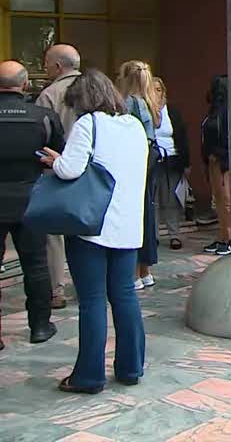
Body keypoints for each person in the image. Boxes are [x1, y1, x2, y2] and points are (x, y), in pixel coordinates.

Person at [41, 69, 148, 393]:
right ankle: (131, 368)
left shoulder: (89, 123)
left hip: (91, 226)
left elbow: (70, 168)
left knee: (92, 300)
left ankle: (89, 376)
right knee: (125, 295)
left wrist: (55, 161)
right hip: (128, 225)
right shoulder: (134, 125)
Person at [0, 61, 62, 349]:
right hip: (30, 199)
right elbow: (57, 156)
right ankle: (39, 326)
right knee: (36, 265)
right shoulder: (43, 117)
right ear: (24, 85)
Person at [35, 43, 82, 309]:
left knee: (54, 233)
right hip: (92, 170)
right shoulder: (99, 88)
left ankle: (57, 289)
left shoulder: (49, 94)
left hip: (56, 167)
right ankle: (91, 283)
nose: (44, 69)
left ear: (57, 66)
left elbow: (40, 136)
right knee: (88, 227)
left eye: (46, 64)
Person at [117, 61, 161, 290]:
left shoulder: (129, 102)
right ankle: (145, 270)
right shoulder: (150, 101)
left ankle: (134, 272)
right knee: (147, 214)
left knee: (133, 215)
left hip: (135, 161)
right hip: (150, 160)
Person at [152, 77, 191, 250]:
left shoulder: (172, 112)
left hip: (172, 160)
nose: (156, 93)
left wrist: (186, 163)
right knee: (153, 200)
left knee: (171, 199)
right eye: (152, 89)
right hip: (152, 160)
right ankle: (153, 236)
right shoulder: (144, 111)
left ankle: (174, 234)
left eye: (159, 89)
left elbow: (182, 137)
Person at [201, 75, 231, 256]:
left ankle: (229, 238)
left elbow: (228, 138)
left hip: (224, 163)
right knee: (219, 201)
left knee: (226, 200)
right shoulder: (213, 112)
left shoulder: (227, 111)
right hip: (213, 162)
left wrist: (220, 155)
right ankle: (222, 235)